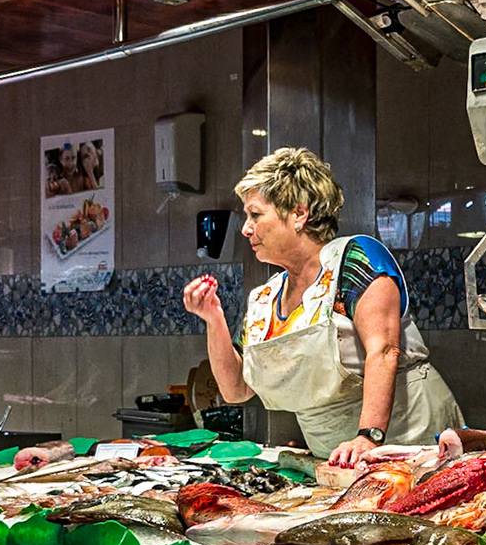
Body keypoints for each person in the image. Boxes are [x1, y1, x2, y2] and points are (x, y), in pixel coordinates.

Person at [181, 146, 460, 466]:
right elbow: (235, 389)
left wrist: (368, 436)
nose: (246, 228)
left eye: (255, 215)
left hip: (411, 442)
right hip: (334, 458)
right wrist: (213, 317)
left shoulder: (355, 260)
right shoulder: (264, 299)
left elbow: (384, 350)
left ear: (299, 214)